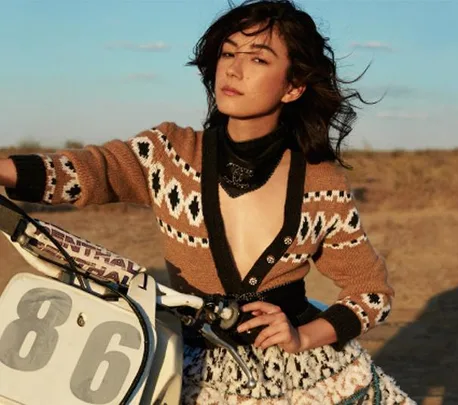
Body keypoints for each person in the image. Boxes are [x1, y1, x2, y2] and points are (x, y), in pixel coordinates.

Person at [0, 0, 415, 403]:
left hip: (309, 378)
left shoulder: (321, 183)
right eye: (228, 52)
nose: (233, 68)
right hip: (190, 369)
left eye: (258, 59)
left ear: (293, 87)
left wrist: (304, 336)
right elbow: (91, 170)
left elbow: (371, 292)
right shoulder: (169, 153)